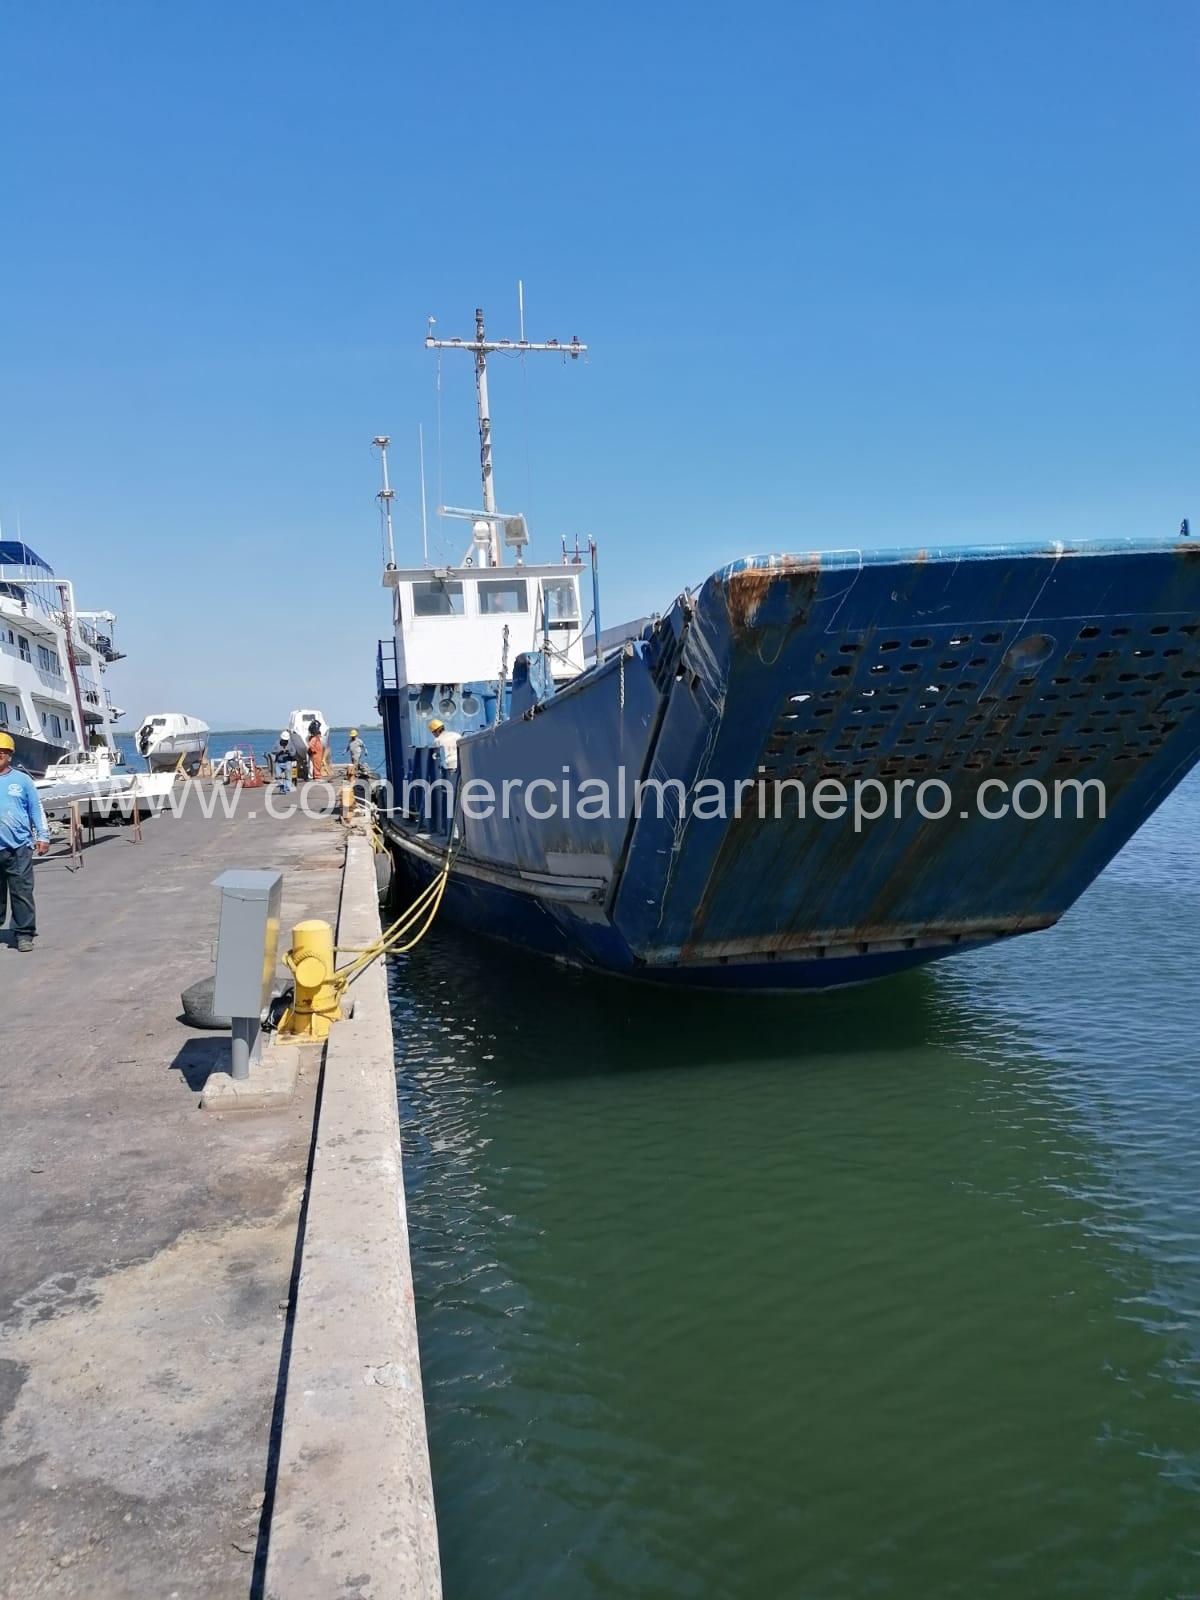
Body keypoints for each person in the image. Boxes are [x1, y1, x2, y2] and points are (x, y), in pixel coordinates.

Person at [0, 731, 50, 952]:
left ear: (10, 755)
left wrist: (43, 836)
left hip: (18, 847)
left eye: (3, 753)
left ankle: (24, 934)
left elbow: (36, 810)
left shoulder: (22, 780)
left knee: (21, 892)